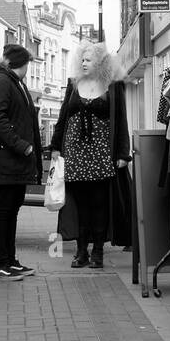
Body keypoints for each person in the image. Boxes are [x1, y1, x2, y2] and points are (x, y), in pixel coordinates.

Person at [50, 41, 130, 269]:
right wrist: (56, 147)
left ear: (101, 63)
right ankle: (81, 250)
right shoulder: (73, 85)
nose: (84, 63)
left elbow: (121, 119)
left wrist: (123, 153)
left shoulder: (113, 86)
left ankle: (98, 252)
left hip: (100, 154)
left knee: (99, 205)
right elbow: (63, 116)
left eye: (89, 60)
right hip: (75, 153)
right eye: (82, 60)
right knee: (80, 205)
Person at [0, 46, 44, 282]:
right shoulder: (1, 81)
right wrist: (20, 145)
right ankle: (0, 264)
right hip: (3, 161)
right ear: (23, 63)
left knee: (10, 212)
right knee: (1, 212)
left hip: (14, 163)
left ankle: (10, 260)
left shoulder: (14, 82)